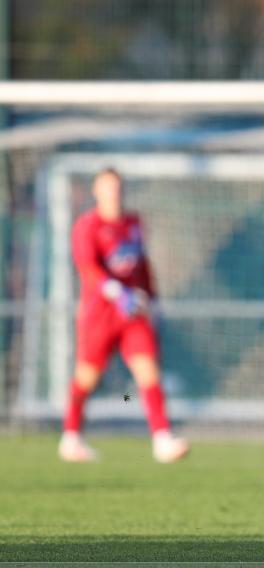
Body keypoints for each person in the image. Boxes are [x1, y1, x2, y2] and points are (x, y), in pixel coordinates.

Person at [59, 168, 189, 464]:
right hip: (100, 314)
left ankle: (162, 439)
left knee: (148, 371)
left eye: (117, 187)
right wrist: (117, 291)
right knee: (86, 378)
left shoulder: (134, 223)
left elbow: (142, 263)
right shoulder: (87, 226)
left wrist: (151, 298)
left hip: (132, 313)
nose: (113, 193)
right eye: (107, 187)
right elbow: (88, 268)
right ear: (96, 190)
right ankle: (71, 437)